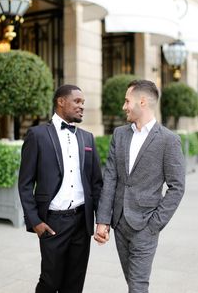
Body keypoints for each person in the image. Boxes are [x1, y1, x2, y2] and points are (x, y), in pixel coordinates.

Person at [94, 79, 185, 293]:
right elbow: (111, 178)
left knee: (137, 286)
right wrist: (103, 220)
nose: (124, 106)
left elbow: (177, 187)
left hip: (145, 226)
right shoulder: (120, 134)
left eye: (127, 101)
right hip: (119, 225)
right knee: (132, 281)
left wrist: (154, 225)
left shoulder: (168, 140)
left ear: (142, 102)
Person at [18, 84, 102, 293]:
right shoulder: (37, 135)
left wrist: (102, 220)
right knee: (50, 280)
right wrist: (35, 221)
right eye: (77, 101)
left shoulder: (87, 138)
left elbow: (96, 183)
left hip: (82, 222)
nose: (82, 106)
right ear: (61, 101)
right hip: (53, 222)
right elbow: (25, 183)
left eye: (83, 103)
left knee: (75, 282)